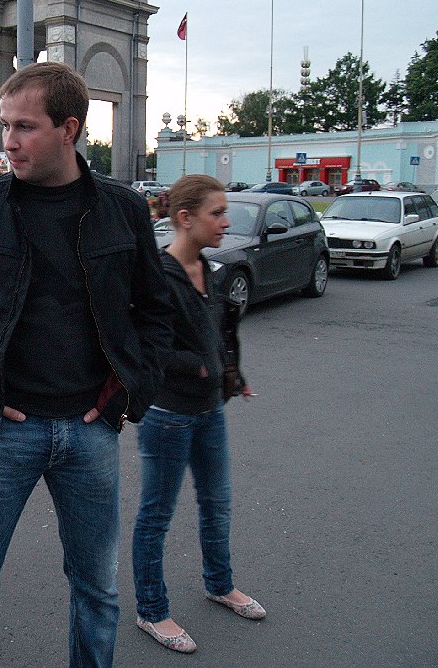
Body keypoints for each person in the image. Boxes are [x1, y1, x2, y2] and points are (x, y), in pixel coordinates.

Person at [0, 62, 174, 668]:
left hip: (90, 433)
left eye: (24, 127)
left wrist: (125, 397)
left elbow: (157, 315)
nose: (7, 141)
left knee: (98, 593)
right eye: (4, 125)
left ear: (69, 129)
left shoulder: (123, 210)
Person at [131, 174, 264, 655]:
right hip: (168, 415)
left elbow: (218, 332)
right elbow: (146, 346)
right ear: (185, 218)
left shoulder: (208, 267)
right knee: (156, 516)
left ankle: (220, 585)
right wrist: (199, 367)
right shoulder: (157, 276)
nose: (226, 222)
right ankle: (151, 610)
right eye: (217, 213)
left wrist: (232, 371)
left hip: (210, 410)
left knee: (217, 504)